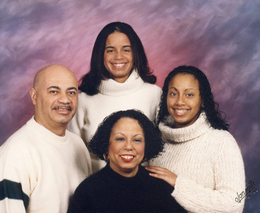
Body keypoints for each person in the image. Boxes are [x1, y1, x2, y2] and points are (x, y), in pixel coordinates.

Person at [0, 65, 92, 213]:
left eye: (71, 92)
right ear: (34, 96)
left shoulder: (78, 146)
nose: (65, 99)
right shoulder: (16, 152)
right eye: (54, 91)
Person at [146, 65, 245, 212]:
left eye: (189, 95)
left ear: (202, 100)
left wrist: (177, 184)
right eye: (173, 94)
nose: (180, 101)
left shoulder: (221, 141)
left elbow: (235, 204)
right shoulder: (157, 138)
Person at [69, 22, 162, 172]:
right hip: (95, 191)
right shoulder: (83, 100)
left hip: (145, 191)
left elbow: (164, 151)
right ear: (100, 55)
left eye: (126, 50)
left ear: (135, 53)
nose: (118, 57)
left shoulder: (155, 94)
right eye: (110, 50)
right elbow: (74, 158)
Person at [68, 110, 186, 213]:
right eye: (120, 139)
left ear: (147, 146)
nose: (129, 146)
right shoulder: (88, 191)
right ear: (106, 145)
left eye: (137, 140)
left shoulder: (160, 185)